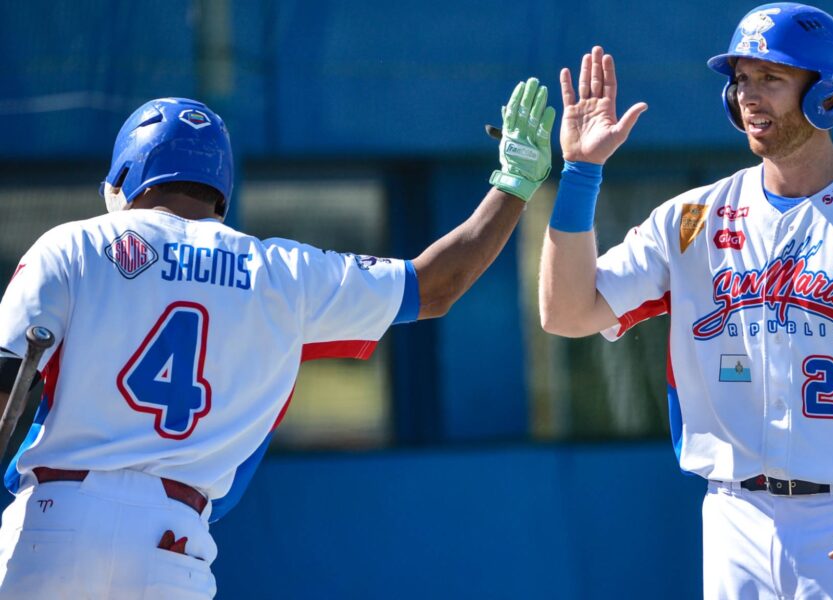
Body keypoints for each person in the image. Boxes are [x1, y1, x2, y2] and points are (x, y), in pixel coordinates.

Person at [0, 80, 555, 598]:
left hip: (54, 522)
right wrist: (514, 184)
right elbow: (435, 286)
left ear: (125, 175)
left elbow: (6, 379)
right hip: (170, 545)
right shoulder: (283, 272)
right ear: (221, 193)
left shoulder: (72, 244)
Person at [539, 4, 833, 599]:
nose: (749, 96)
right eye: (741, 79)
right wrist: (580, 173)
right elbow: (567, 312)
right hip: (733, 515)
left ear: (826, 92)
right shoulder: (691, 218)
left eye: (771, 78)